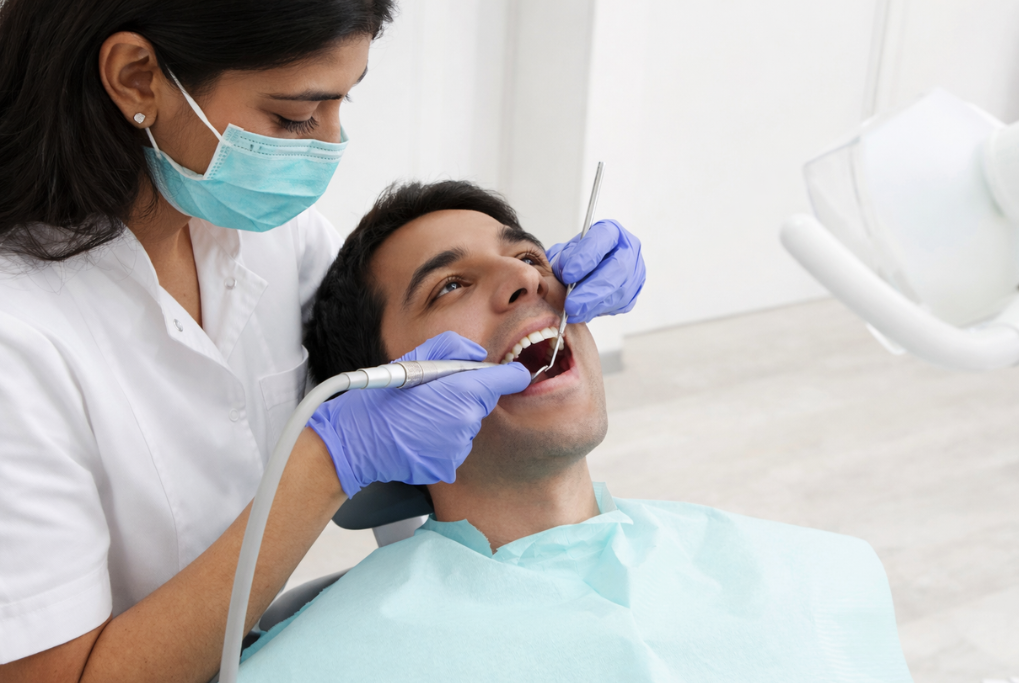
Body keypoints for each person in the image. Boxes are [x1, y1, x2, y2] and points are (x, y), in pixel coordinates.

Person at [0, 3, 646, 682]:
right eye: (294, 115)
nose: (330, 142)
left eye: (345, 98)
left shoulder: (275, 234)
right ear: (137, 78)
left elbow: (382, 364)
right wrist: (329, 464)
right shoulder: (20, 337)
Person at [237, 181, 913, 682]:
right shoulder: (318, 666)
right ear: (383, 391)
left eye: (530, 256)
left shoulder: (825, 577)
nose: (526, 281)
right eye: (448, 286)